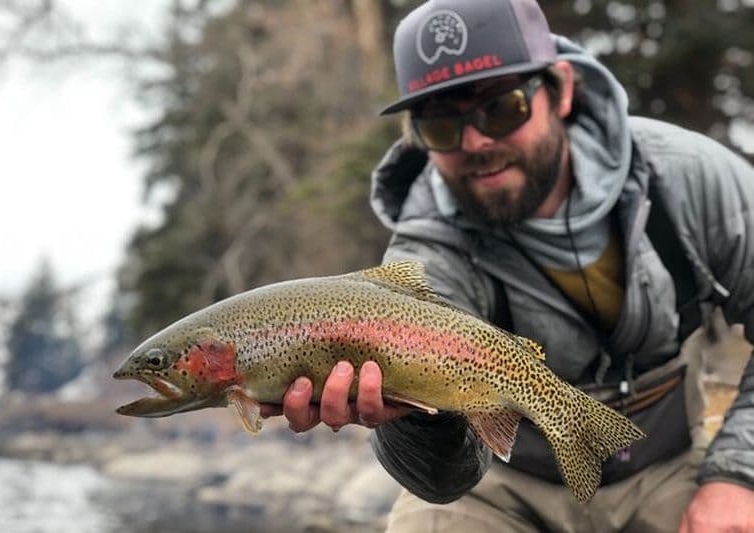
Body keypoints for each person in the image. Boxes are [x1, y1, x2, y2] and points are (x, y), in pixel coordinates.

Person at [261, 0, 754, 530]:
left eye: (502, 108)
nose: (476, 142)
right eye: (443, 127)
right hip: (503, 482)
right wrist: (412, 419)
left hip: (668, 466)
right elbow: (445, 483)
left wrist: (739, 475)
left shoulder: (690, 180)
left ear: (561, 89)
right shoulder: (426, 253)